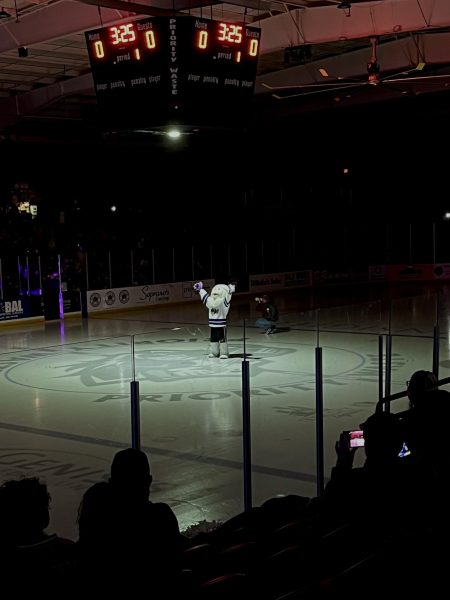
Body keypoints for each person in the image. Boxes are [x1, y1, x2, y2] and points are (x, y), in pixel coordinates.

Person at [193, 281, 235, 358]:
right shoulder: (210, 301)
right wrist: (200, 289)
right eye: (215, 289)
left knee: (222, 339)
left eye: (219, 289)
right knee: (213, 339)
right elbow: (205, 296)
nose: (216, 291)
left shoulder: (223, 302)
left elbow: (227, 299)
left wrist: (230, 292)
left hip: (221, 325)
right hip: (212, 325)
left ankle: (224, 353)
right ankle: (214, 352)